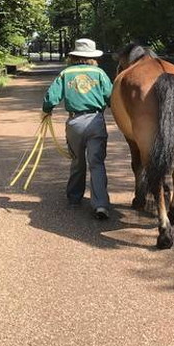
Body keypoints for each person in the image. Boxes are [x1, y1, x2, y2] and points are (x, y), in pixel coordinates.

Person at [41, 38, 114, 219]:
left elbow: (51, 98)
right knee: (96, 163)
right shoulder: (100, 74)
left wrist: (46, 111)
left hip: (74, 123)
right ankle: (100, 205)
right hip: (96, 120)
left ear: (74, 55)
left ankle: (74, 198)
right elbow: (111, 96)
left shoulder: (66, 73)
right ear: (93, 56)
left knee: (77, 161)